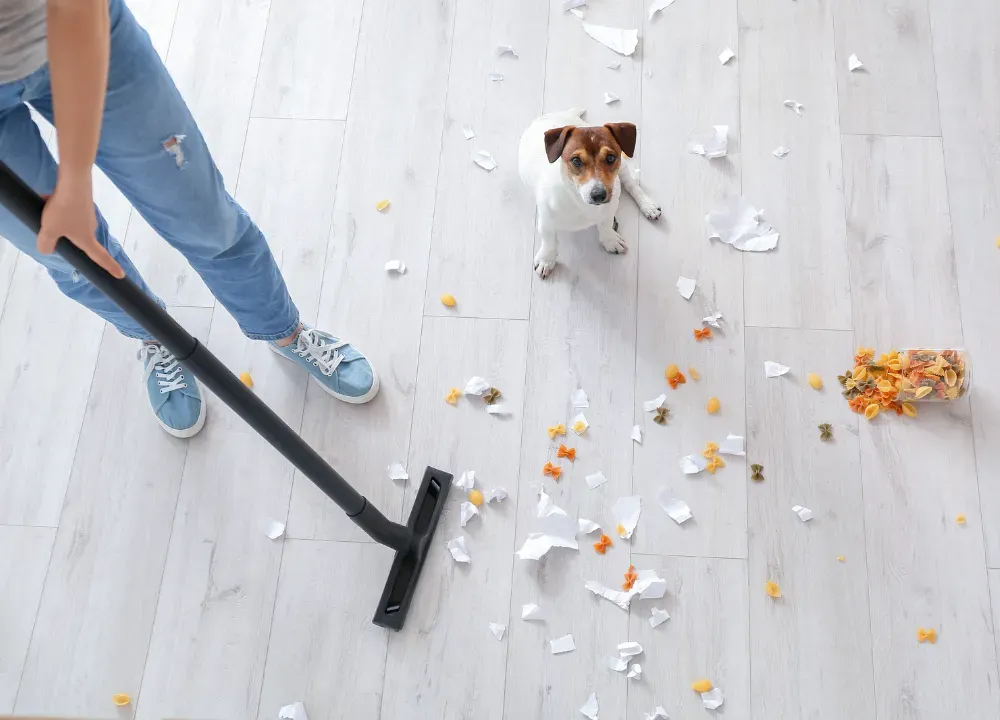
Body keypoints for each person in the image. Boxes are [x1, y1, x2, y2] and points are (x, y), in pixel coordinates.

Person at [0, 0, 378, 438]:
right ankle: (154, 334)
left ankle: (283, 330)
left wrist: (76, 181)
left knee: (203, 217)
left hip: (72, 24)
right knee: (68, 255)